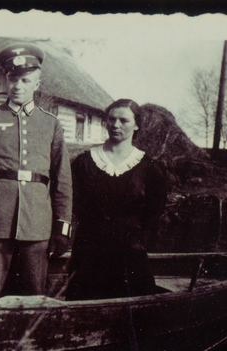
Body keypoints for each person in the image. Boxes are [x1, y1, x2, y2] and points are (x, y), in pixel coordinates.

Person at [0, 43, 73, 302]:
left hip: (37, 226)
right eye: (13, 79)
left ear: (36, 84)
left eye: (25, 80)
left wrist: (62, 228)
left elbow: (62, 180)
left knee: (33, 298)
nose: (18, 86)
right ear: (6, 80)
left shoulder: (50, 124)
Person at [66, 99, 167, 301]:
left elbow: (154, 213)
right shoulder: (84, 162)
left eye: (124, 120)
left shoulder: (150, 168)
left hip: (129, 256)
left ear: (136, 124)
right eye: (111, 119)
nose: (116, 125)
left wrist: (131, 235)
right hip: (89, 253)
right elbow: (75, 205)